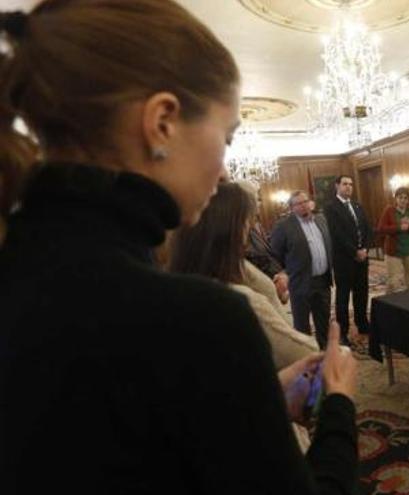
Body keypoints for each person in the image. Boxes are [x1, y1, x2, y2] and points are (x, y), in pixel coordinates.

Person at [0, 3, 357, 493]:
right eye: (227, 136)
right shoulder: (199, 319)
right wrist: (337, 405)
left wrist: (255, 399)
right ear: (163, 122)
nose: (227, 169)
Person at [170, 182, 319, 368]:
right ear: (232, 228)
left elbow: (261, 257)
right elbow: (307, 356)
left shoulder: (179, 279)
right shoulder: (243, 299)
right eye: (246, 220)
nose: (249, 226)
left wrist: (277, 276)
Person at [271, 190, 336, 349]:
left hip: (323, 281)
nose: (304, 206)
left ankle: (323, 354)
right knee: (302, 326)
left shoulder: (321, 220)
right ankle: (306, 357)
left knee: (323, 323)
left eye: (305, 202)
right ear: (292, 208)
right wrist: (285, 273)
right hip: (300, 283)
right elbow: (275, 254)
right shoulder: (283, 226)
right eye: (299, 204)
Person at [325, 174, 372, 342]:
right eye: (345, 184)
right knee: (343, 297)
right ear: (337, 186)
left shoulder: (357, 206)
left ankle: (362, 323)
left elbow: (367, 228)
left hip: (362, 258)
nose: (349, 187)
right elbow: (337, 234)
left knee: (362, 292)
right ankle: (342, 331)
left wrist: (365, 248)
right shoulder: (330, 208)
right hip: (344, 260)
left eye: (351, 184)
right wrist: (355, 252)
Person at [238, 180, 288, 303]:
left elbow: (266, 253)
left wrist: (280, 274)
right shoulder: (237, 230)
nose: (259, 203)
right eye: (256, 198)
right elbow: (251, 258)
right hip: (254, 296)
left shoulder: (252, 227)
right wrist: (274, 278)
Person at [376, 187, 409, 293]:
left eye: (405, 198)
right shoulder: (389, 210)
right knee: (393, 283)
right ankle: (390, 306)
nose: (403, 200)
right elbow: (381, 229)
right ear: (396, 199)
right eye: (400, 197)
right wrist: (398, 227)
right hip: (393, 253)